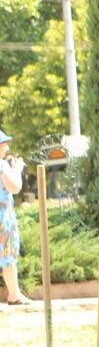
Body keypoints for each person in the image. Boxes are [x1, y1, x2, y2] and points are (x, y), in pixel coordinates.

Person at [0, 129, 30, 305]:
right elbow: (15, 187)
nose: (6, 147)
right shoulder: (2, 165)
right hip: (3, 221)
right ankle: (14, 295)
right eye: (3, 144)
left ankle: (15, 294)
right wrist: (17, 168)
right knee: (8, 257)